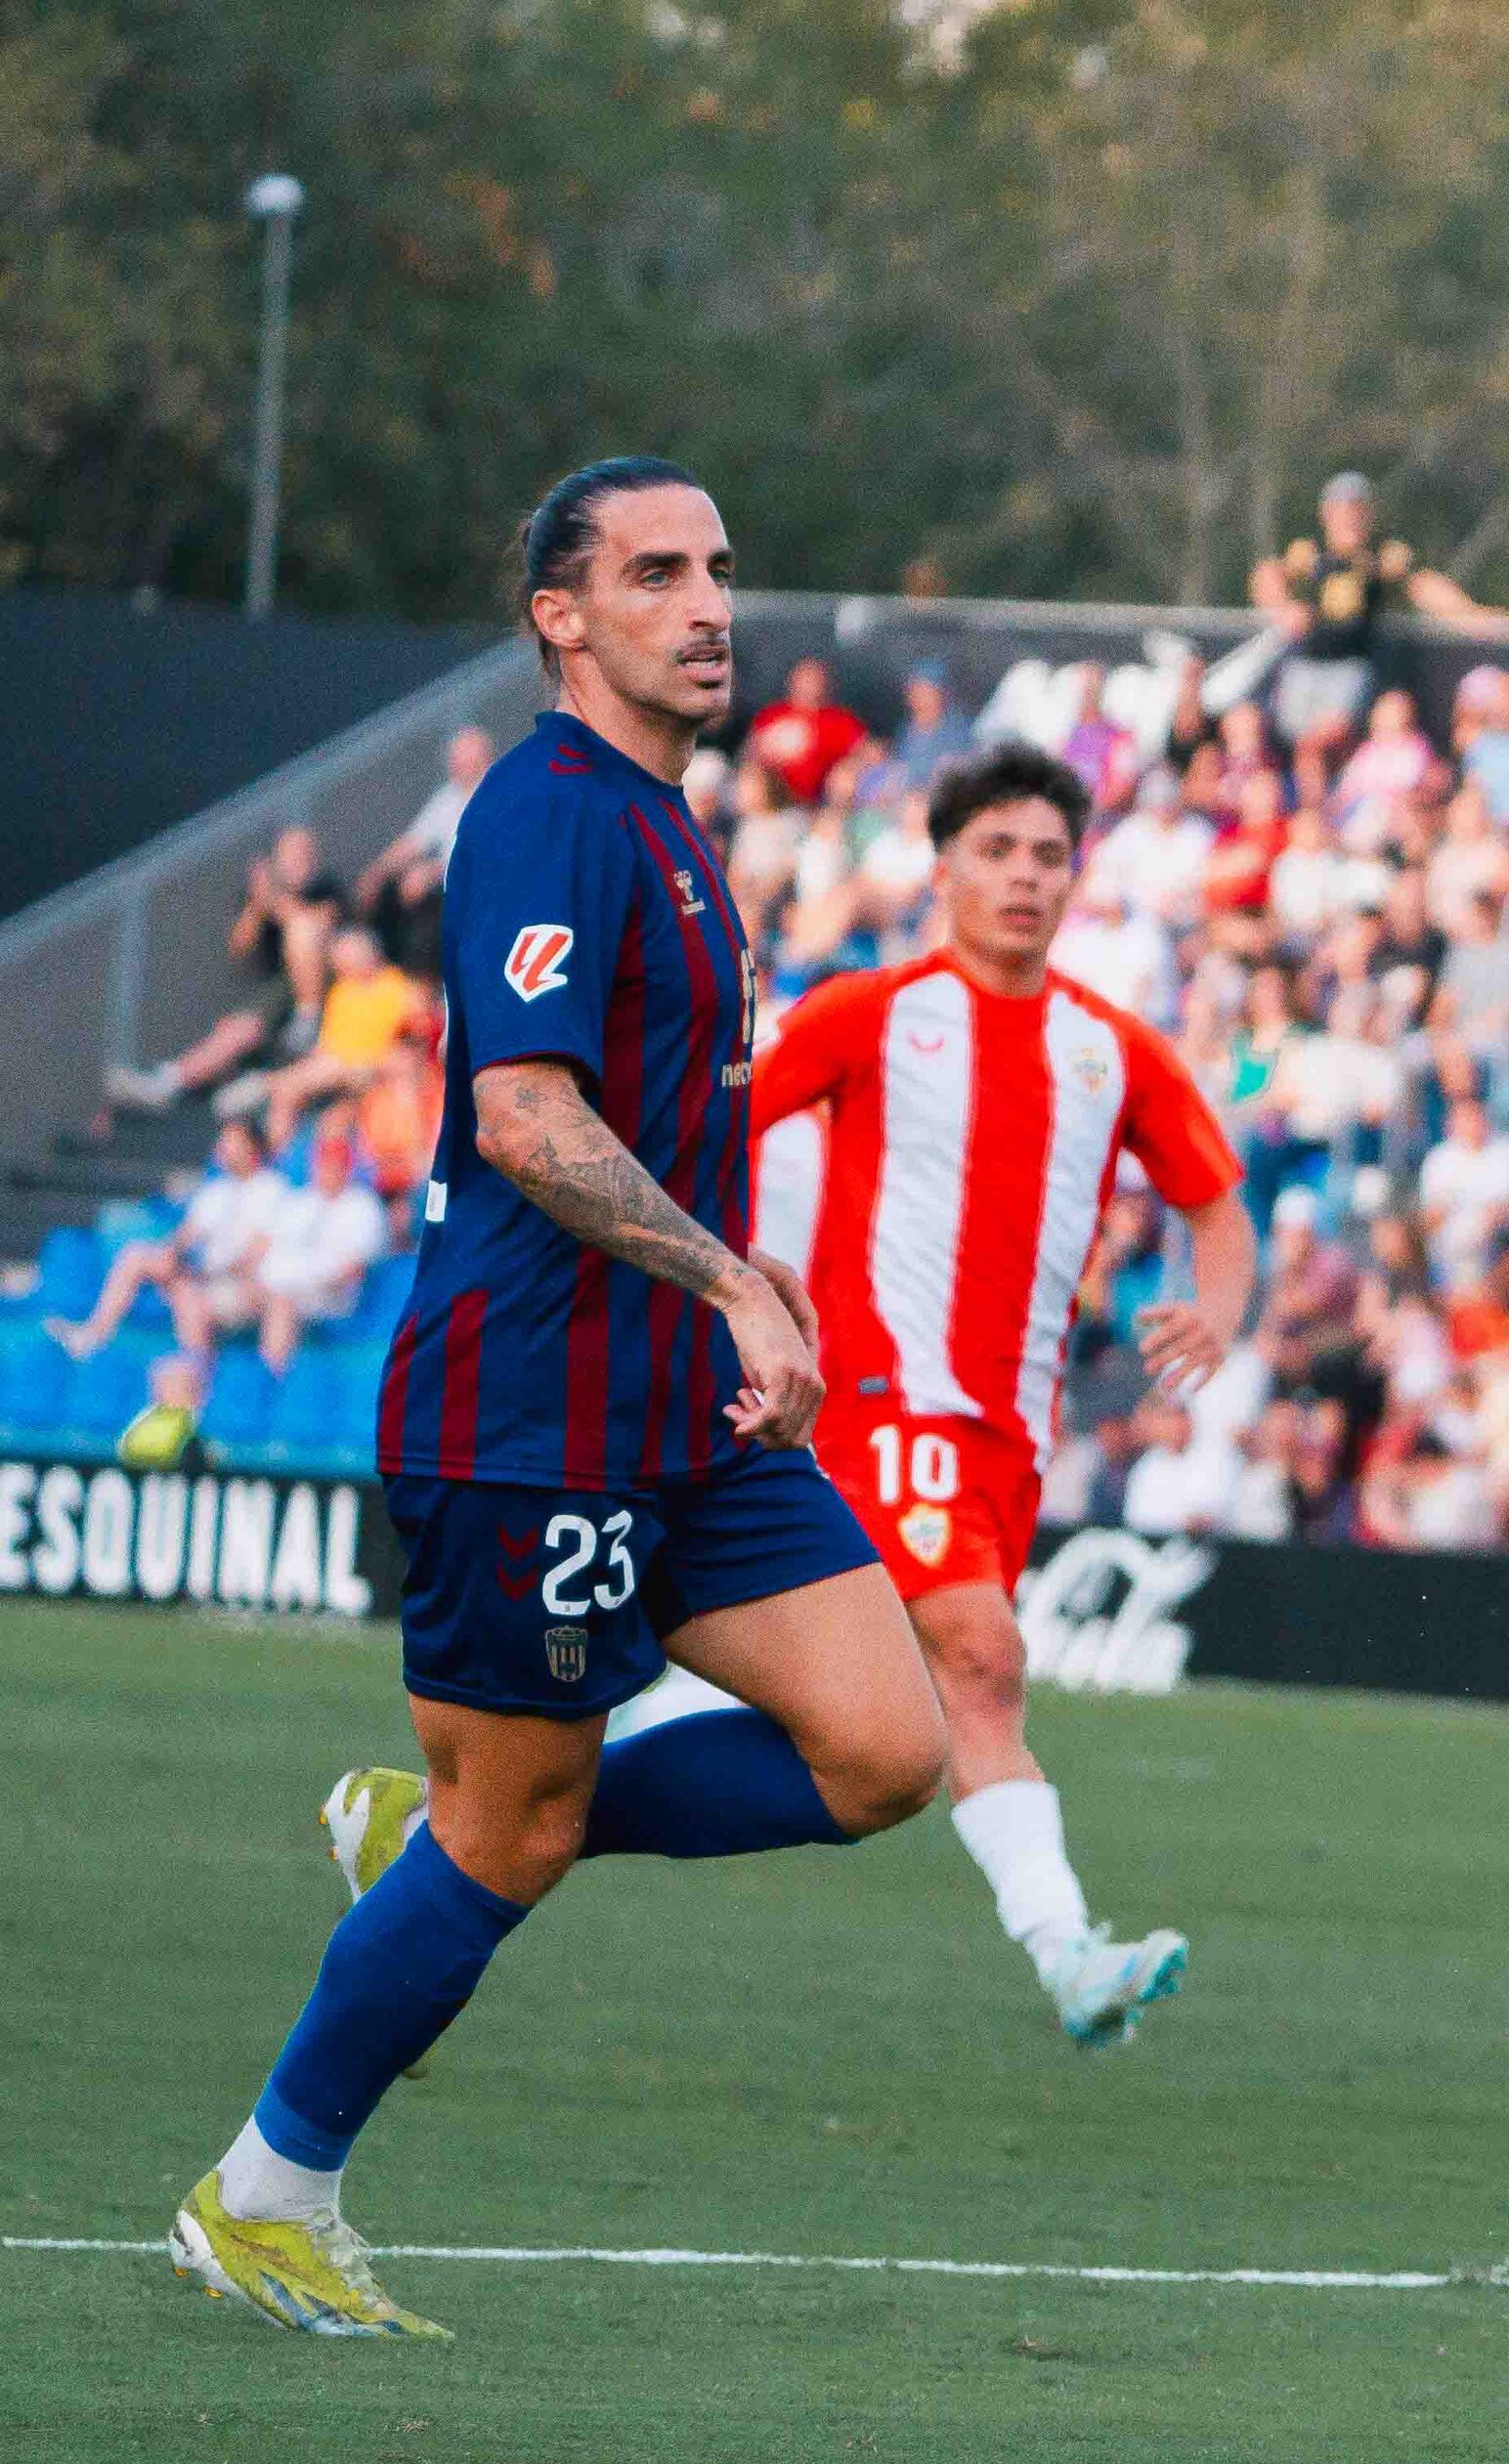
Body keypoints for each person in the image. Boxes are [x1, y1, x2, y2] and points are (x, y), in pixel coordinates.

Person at [168, 460, 947, 2341]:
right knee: (509, 1831)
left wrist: (732, 1303)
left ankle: (417, 1833)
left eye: (722, 571)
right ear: (559, 616)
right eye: (657, 572)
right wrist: (735, 1278)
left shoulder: (674, 827)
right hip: (531, 1413)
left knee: (886, 1748)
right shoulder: (545, 813)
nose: (707, 603)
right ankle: (265, 2187)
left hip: (683, 1411)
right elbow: (522, 1116)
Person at [748, 742, 1256, 2044]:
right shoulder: (870, 1013)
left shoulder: (1109, 1047)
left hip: (1008, 1438)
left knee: (896, 1722)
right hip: (878, 1405)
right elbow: (723, 1129)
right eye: (998, 851)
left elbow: (1215, 1203)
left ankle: (481, 1823)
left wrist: (1219, 1307)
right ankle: (1069, 1955)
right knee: (982, 1660)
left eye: (1047, 855)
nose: (1025, 877)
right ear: (946, 865)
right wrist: (747, 1285)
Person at [1247, 470, 1487, 747]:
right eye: (1342, 509)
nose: (1350, 517)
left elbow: (1423, 585)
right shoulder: (1309, 552)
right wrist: (1282, 607)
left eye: (1357, 509)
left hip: (1353, 666)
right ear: (1327, 513)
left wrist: (1469, 614)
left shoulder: (1382, 555)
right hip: (1307, 663)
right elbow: (1267, 573)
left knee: (1327, 738)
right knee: (1292, 739)